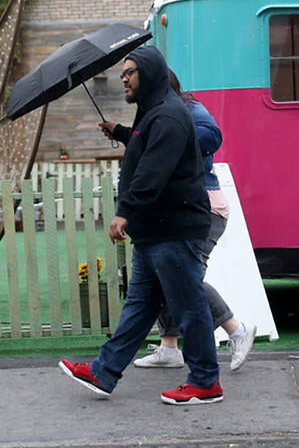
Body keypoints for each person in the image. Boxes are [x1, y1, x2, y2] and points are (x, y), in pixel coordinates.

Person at [58, 45, 222, 405]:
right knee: (139, 305)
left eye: (130, 72)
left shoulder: (167, 116)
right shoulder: (153, 114)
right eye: (123, 73)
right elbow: (143, 148)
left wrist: (124, 211)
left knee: (190, 307)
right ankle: (105, 371)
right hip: (155, 232)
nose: (124, 78)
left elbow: (153, 172)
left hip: (174, 231)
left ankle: (206, 382)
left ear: (148, 75)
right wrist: (121, 132)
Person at [127, 70, 255, 371]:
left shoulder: (187, 109)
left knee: (183, 278)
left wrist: (169, 137)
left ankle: (237, 330)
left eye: (135, 77)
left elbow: (212, 136)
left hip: (205, 207)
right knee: (163, 277)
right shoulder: (157, 114)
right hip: (180, 209)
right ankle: (170, 347)